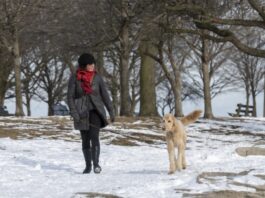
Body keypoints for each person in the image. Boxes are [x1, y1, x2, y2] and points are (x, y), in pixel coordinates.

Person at [67, 53, 115, 174]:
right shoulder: (74, 78)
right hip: (81, 112)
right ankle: (88, 166)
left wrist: (111, 111)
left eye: (93, 63)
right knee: (85, 139)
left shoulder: (97, 78)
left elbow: (105, 95)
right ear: (84, 65)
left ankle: (96, 164)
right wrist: (74, 113)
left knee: (94, 136)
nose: (92, 66)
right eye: (89, 64)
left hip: (96, 111)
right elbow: (70, 97)